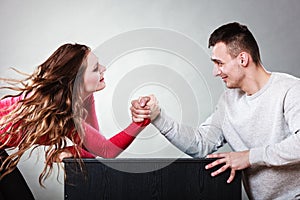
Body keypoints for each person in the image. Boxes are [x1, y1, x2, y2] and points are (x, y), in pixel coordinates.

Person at [130, 22, 300, 200]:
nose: (215, 72)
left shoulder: (290, 89)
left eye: (220, 63)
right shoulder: (228, 101)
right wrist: (157, 117)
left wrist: (250, 157)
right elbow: (200, 144)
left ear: (243, 59)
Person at [0, 43, 150, 200]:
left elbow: (95, 148)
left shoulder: (81, 101)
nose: (104, 68)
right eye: (95, 68)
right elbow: (107, 150)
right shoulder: (61, 111)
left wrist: (73, 151)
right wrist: (141, 121)